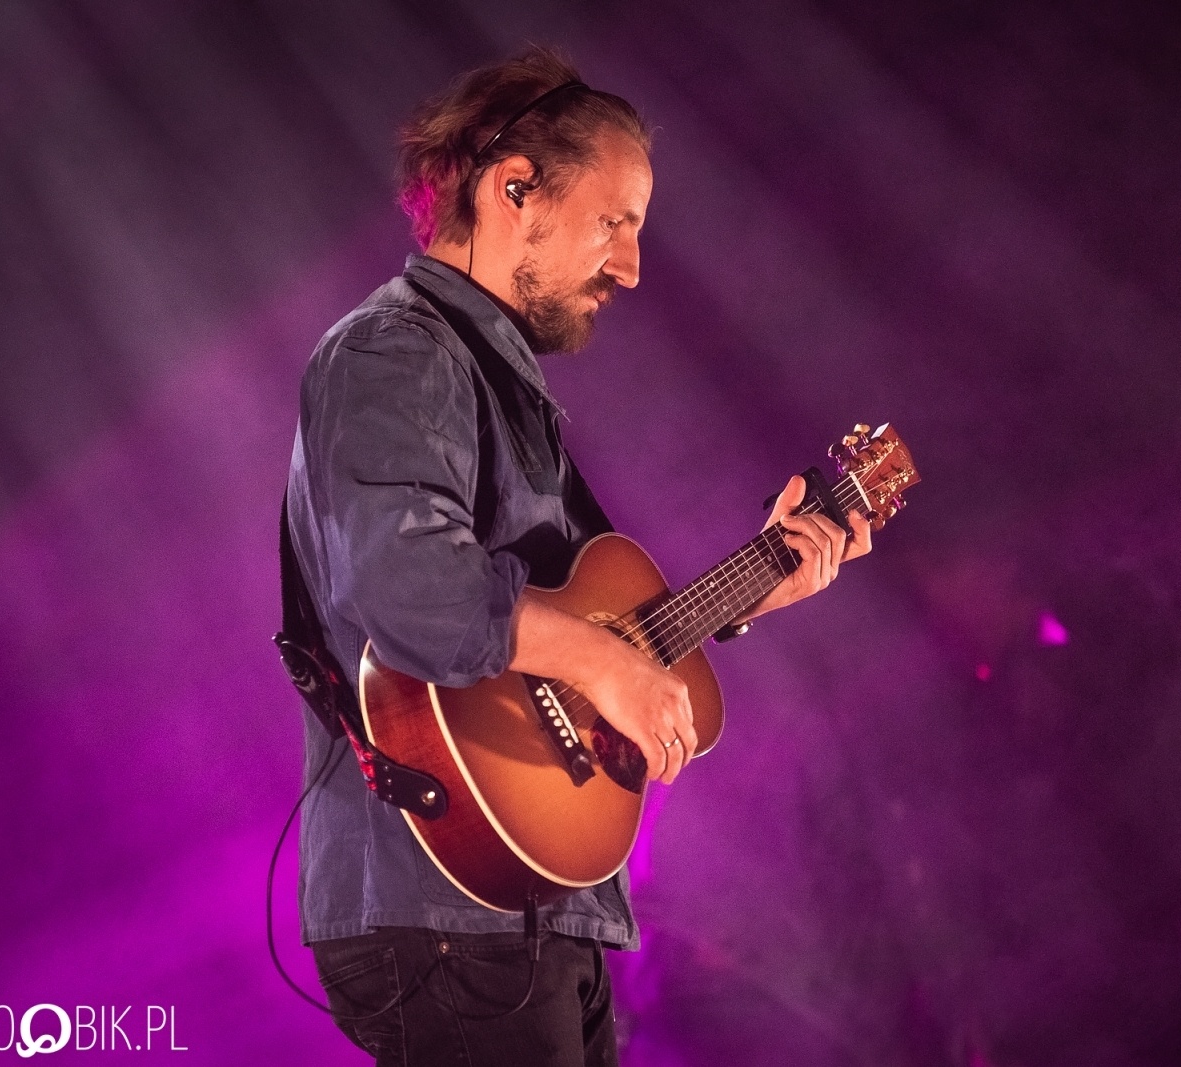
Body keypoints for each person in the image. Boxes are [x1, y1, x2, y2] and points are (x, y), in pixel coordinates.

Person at [285, 46, 871, 1066]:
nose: (632, 266)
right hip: (446, 907)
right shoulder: (399, 349)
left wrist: (753, 592)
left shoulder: (493, 382)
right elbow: (407, 584)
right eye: (614, 222)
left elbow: (579, 625)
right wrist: (603, 661)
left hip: (526, 906)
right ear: (514, 188)